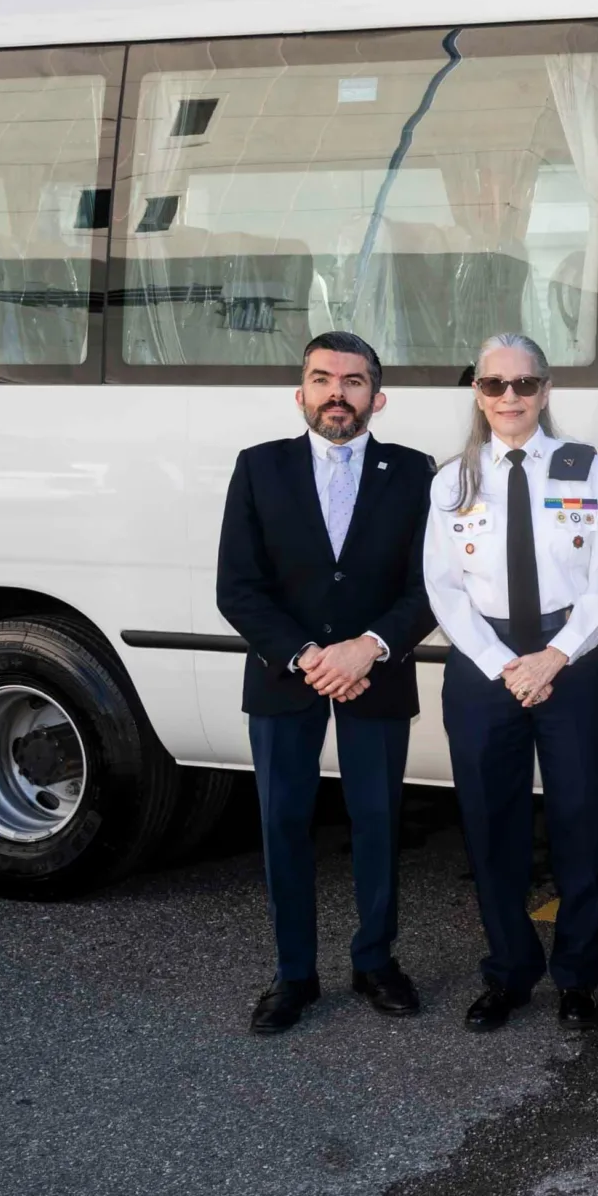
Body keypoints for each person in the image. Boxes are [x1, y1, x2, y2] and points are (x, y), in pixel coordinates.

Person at [216, 331, 439, 1035]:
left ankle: (375, 960)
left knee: (377, 821)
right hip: (286, 676)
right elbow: (238, 587)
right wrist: (309, 655)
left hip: (376, 672)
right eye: (322, 379)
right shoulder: (259, 468)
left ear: (378, 396)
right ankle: (293, 974)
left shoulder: (415, 472)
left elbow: (430, 584)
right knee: (283, 823)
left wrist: (367, 649)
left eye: (352, 380)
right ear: (300, 392)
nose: (336, 393)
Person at [425, 333, 598, 1034]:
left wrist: (556, 655)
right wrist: (500, 663)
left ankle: (577, 976)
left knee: (584, 824)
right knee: (490, 828)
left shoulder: (583, 466)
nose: (508, 397)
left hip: (576, 658)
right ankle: (509, 972)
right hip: (486, 664)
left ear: (545, 390)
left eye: (523, 383)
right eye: (493, 384)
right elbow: (444, 588)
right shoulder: (452, 480)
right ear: (478, 393)